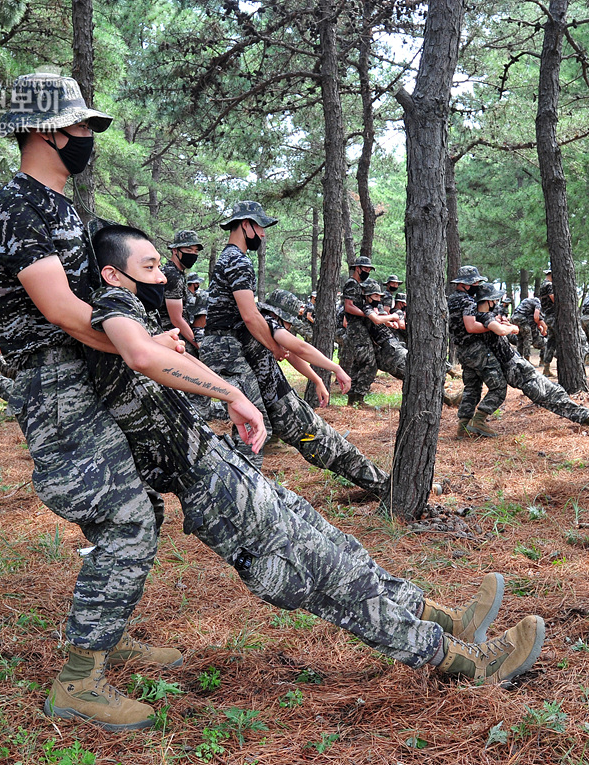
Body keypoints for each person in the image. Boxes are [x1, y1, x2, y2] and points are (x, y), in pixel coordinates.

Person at [81, 226, 547, 712]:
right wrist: (230, 392)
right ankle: (465, 662)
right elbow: (137, 353)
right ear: (113, 274)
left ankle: (444, 620)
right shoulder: (113, 305)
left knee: (338, 548)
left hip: (220, 468)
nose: (164, 275)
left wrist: (169, 345)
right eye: (149, 267)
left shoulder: (131, 311)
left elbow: (146, 349)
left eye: (161, 264)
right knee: (330, 575)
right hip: (208, 488)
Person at [0, 73, 185, 732]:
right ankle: (78, 683)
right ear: (46, 130)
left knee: (138, 510)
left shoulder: (60, 205)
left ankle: (108, 628)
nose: (86, 139)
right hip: (52, 385)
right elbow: (65, 311)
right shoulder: (19, 205)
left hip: (83, 379)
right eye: (79, 128)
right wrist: (140, 346)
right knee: (126, 517)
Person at [235, 284, 391, 497]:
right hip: (282, 407)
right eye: (289, 323)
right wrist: (336, 368)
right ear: (281, 317)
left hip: (268, 406)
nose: (290, 328)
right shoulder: (267, 322)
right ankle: (385, 486)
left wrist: (316, 379)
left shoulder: (256, 327)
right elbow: (300, 347)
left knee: (326, 448)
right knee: (335, 447)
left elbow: (291, 352)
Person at [200, 200, 288, 468]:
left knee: (248, 422)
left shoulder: (229, 257)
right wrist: (275, 347)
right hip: (225, 350)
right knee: (254, 424)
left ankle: (240, 481)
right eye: (260, 227)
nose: (263, 234)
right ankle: (246, 489)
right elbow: (250, 316)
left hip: (223, 348)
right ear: (246, 225)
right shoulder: (238, 261)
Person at [473, 287, 589, 428]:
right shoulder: (484, 317)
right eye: (494, 300)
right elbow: (501, 330)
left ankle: (585, 415)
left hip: (515, 364)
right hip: (513, 367)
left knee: (553, 392)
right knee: (551, 394)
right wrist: (511, 327)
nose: (496, 303)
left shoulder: (483, 318)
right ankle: (587, 418)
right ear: (487, 301)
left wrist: (505, 324)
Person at [449, 265, 507, 438]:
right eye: (475, 282)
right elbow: (471, 326)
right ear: (465, 284)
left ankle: (463, 427)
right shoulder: (466, 301)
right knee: (499, 387)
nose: (477, 285)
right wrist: (491, 327)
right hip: (476, 350)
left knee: (472, 388)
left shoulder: (451, 299)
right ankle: (479, 420)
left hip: (462, 351)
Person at [340, 256, 396, 408]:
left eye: (369, 270)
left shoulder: (358, 285)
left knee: (359, 364)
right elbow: (348, 306)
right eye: (365, 269)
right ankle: (358, 398)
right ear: (357, 268)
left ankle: (353, 400)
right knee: (370, 364)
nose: (367, 272)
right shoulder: (351, 283)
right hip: (356, 329)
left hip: (360, 329)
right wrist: (368, 315)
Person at [161, 230, 204, 351]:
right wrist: (197, 345)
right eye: (189, 250)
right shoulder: (173, 275)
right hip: (171, 335)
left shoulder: (176, 272)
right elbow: (176, 319)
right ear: (175, 250)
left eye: (196, 251)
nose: (193, 254)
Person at [512, 294, 545, 362]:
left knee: (520, 339)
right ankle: (527, 360)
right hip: (521, 319)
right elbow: (536, 317)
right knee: (528, 338)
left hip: (514, 318)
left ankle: (519, 359)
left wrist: (538, 325)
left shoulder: (527, 300)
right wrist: (541, 327)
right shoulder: (537, 302)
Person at [538, 269, 556, 376]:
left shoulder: (542, 285)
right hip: (553, 315)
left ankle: (546, 368)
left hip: (547, 316)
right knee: (559, 341)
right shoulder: (549, 285)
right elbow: (553, 298)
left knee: (551, 342)